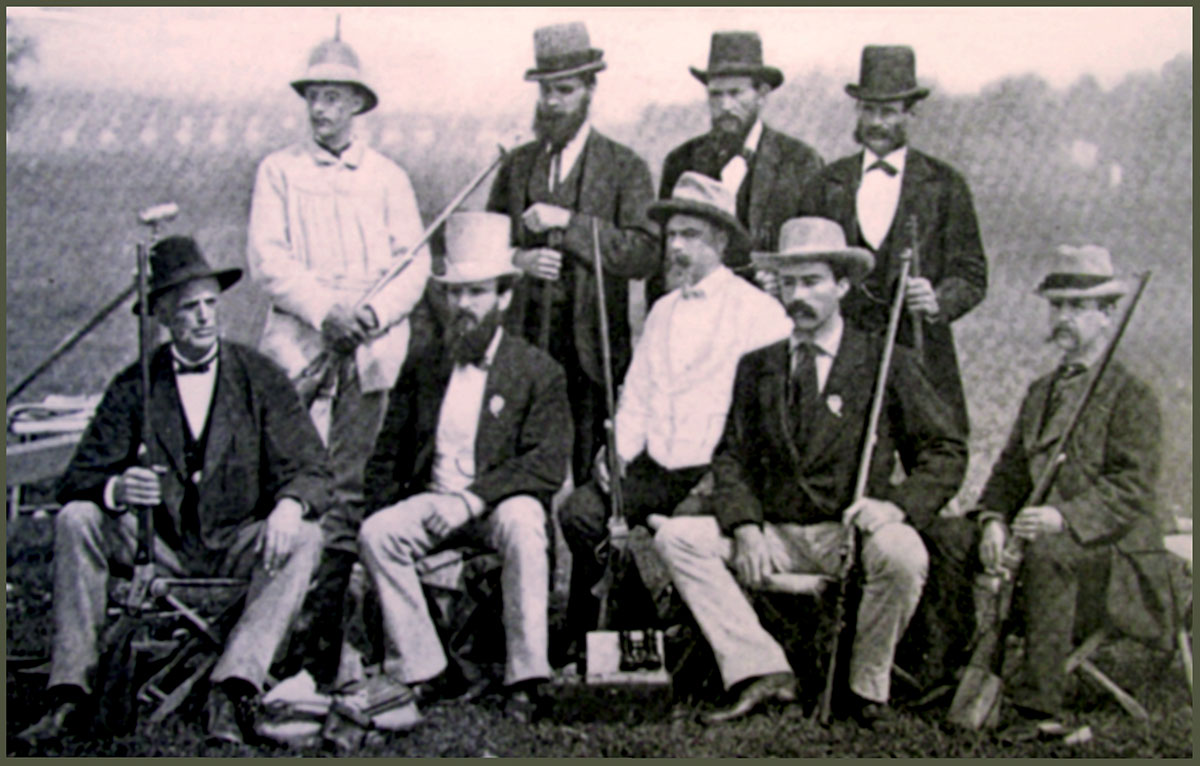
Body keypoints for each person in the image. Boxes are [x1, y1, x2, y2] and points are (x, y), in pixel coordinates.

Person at [17, 236, 330, 747]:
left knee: (307, 537)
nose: (206, 317)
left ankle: (233, 687)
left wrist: (290, 505)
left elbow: (313, 467)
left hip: (236, 545)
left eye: (211, 304)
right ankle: (70, 693)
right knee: (77, 518)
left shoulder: (259, 376)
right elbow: (77, 478)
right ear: (163, 316)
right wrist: (117, 488)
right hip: (158, 550)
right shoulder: (137, 384)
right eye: (189, 308)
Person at [653, 217, 966, 726]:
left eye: (813, 281)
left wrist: (897, 508)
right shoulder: (758, 364)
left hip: (846, 534)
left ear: (842, 285)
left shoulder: (885, 361)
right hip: (774, 533)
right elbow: (730, 455)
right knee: (677, 537)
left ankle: (867, 688)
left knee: (904, 550)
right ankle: (764, 671)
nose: (799, 295)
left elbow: (946, 448)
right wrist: (745, 525)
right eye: (790, 282)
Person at [246, 31, 429, 687]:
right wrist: (328, 312)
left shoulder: (387, 179)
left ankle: (324, 643)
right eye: (313, 98)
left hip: (371, 360)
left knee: (347, 495)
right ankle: (272, 635)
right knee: (295, 487)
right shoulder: (279, 172)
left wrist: (370, 318)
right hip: (299, 353)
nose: (321, 111)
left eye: (333, 98)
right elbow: (269, 261)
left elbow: (414, 267)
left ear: (357, 103)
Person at [557, 172, 793, 661]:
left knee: (677, 531)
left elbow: (767, 422)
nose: (676, 248)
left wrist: (724, 480)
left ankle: (702, 633)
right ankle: (644, 631)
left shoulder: (760, 313)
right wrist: (617, 453)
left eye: (691, 236)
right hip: (659, 467)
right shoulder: (663, 311)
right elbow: (638, 396)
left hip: (719, 473)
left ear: (722, 240)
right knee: (581, 512)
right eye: (671, 236)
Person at [357, 212, 572, 725]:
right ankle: (429, 668)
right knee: (379, 532)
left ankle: (526, 676)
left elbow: (546, 462)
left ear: (503, 297)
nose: (463, 307)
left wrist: (472, 500)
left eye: (476, 294)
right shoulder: (425, 362)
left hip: (496, 501)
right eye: (454, 295)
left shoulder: (537, 370)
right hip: (435, 499)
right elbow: (387, 454)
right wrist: (384, 507)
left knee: (524, 522)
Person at [960, 245, 1170, 722]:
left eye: (1078, 306)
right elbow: (1010, 472)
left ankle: (1040, 706)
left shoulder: (1132, 393)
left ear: (1108, 315)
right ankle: (954, 675)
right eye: (1057, 305)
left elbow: (1133, 488)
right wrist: (992, 520)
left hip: (1115, 553)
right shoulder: (1041, 392)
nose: (1063, 316)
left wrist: (1063, 517)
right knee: (954, 539)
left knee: (1050, 553)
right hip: (1046, 543)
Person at [486, 21, 658, 486]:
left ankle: (592, 562)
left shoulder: (625, 167)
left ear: (589, 89)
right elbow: (485, 247)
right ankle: (527, 560)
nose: (553, 102)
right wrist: (517, 262)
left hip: (592, 353)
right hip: (524, 344)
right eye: (545, 91)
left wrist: (571, 224)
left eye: (565, 90)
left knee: (593, 483)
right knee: (519, 472)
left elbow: (643, 254)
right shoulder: (517, 164)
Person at [797, 45, 986, 432]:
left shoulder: (945, 185)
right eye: (868, 110)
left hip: (919, 349)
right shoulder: (825, 185)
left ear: (910, 112)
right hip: (842, 350)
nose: (876, 122)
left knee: (928, 452)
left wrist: (937, 299)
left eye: (888, 112)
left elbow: (972, 273)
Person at [648, 30, 823, 305]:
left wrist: (781, 279)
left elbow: (815, 255)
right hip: (700, 311)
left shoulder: (800, 162)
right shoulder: (681, 161)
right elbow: (664, 261)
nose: (725, 106)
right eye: (715, 95)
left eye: (735, 93)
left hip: (771, 315)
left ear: (762, 94)